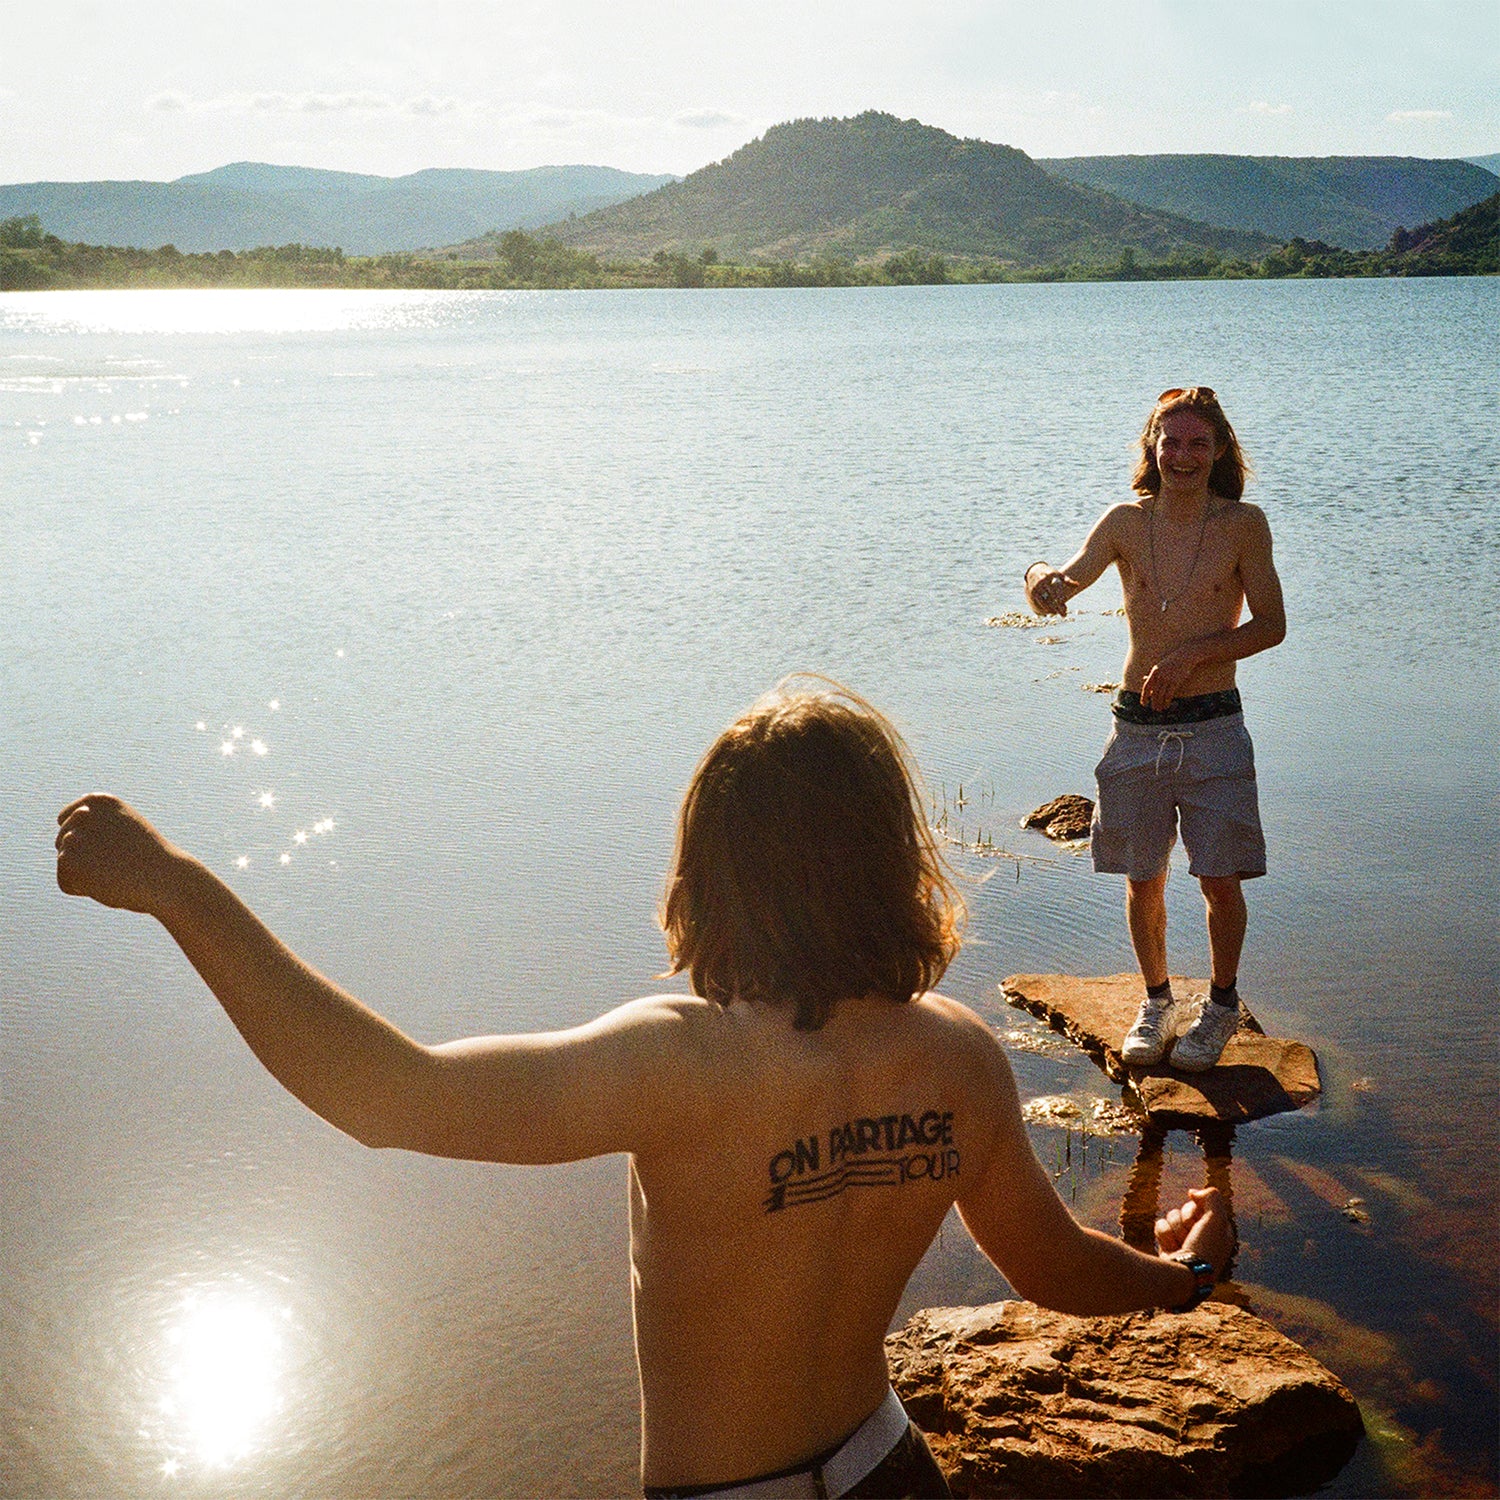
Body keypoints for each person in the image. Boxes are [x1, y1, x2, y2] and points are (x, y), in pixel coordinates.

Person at [56, 680, 1232, 1500]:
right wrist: (1181, 1282)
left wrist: (177, 889)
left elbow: (387, 1096)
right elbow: (1056, 1270)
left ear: (711, 861)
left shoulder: (679, 1064)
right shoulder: (959, 1057)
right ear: (892, 859)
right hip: (888, 1468)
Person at [1024, 387, 1287, 1073]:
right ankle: (1158, 1000)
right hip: (1137, 730)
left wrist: (1193, 653)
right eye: (1171, 442)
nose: (1183, 455)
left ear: (1220, 449)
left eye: (1198, 442)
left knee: (1219, 880)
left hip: (1215, 728)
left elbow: (1271, 625)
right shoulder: (1123, 522)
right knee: (1143, 879)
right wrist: (1041, 580)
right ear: (1153, 448)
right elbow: (1064, 579)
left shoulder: (1243, 525)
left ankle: (1221, 1007)